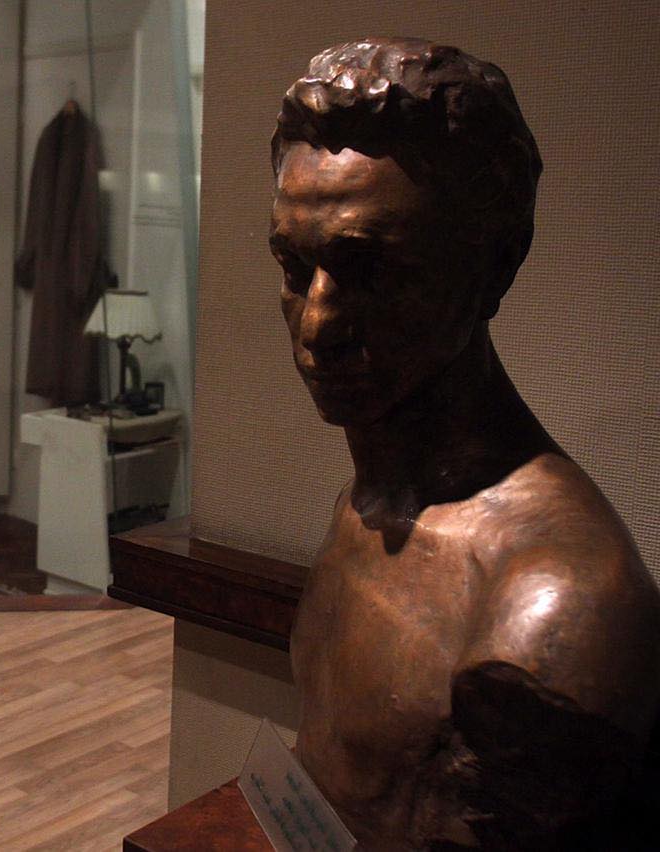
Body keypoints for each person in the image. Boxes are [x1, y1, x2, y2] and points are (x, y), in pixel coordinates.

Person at [270, 38, 660, 849]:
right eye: (295, 268)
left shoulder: (553, 610)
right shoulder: (366, 504)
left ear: (495, 265)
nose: (317, 324)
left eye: (369, 270)